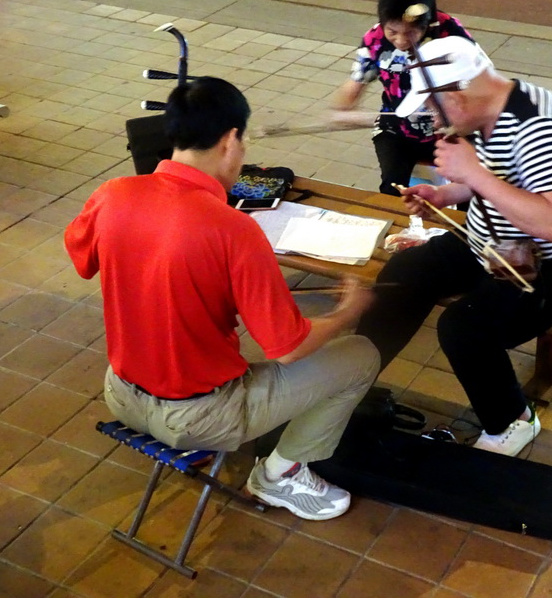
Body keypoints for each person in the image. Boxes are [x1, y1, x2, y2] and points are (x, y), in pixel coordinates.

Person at [64, 77, 380, 521]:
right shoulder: (233, 228)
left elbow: (82, 259)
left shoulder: (112, 193)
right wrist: (349, 312)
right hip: (199, 419)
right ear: (231, 140)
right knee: (360, 355)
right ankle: (280, 476)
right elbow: (287, 348)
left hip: (121, 395)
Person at [355, 36, 552, 457]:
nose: (433, 117)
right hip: (490, 241)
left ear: (459, 93)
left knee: (465, 327)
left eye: (434, 105)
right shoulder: (493, 106)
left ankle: (513, 421)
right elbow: (497, 179)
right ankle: (350, 385)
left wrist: (474, 174)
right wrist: (446, 194)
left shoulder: (537, 125)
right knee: (403, 275)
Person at [331, 0, 474, 196]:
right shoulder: (375, 38)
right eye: (393, 32)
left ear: (426, 24)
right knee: (392, 189)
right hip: (395, 127)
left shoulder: (451, 34)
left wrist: (459, 117)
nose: (400, 40)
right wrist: (341, 112)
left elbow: (476, 85)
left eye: (411, 32)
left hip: (449, 129)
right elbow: (355, 83)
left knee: (468, 188)